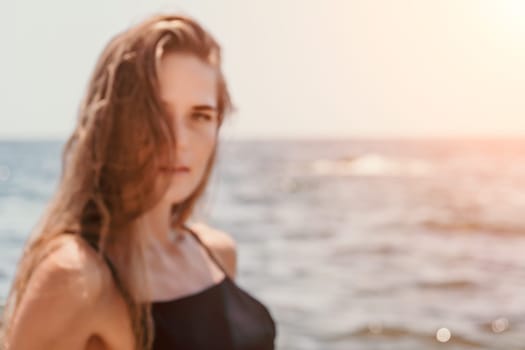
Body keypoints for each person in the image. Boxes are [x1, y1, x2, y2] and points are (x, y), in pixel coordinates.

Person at [1, 14, 276, 350]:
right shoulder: (76, 278)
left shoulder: (217, 253)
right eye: (155, 114)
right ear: (112, 122)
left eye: (200, 116)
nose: (179, 141)